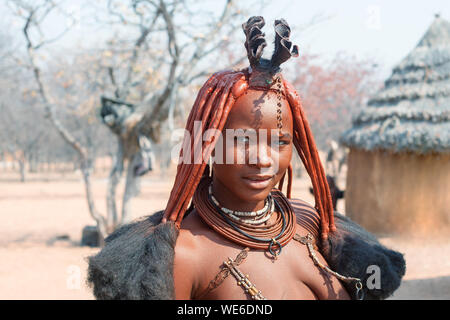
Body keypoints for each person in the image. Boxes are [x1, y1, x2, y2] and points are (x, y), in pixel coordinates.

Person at [88, 16, 405, 300]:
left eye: (279, 142)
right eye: (241, 140)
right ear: (208, 145)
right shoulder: (185, 254)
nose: (262, 159)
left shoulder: (313, 224)